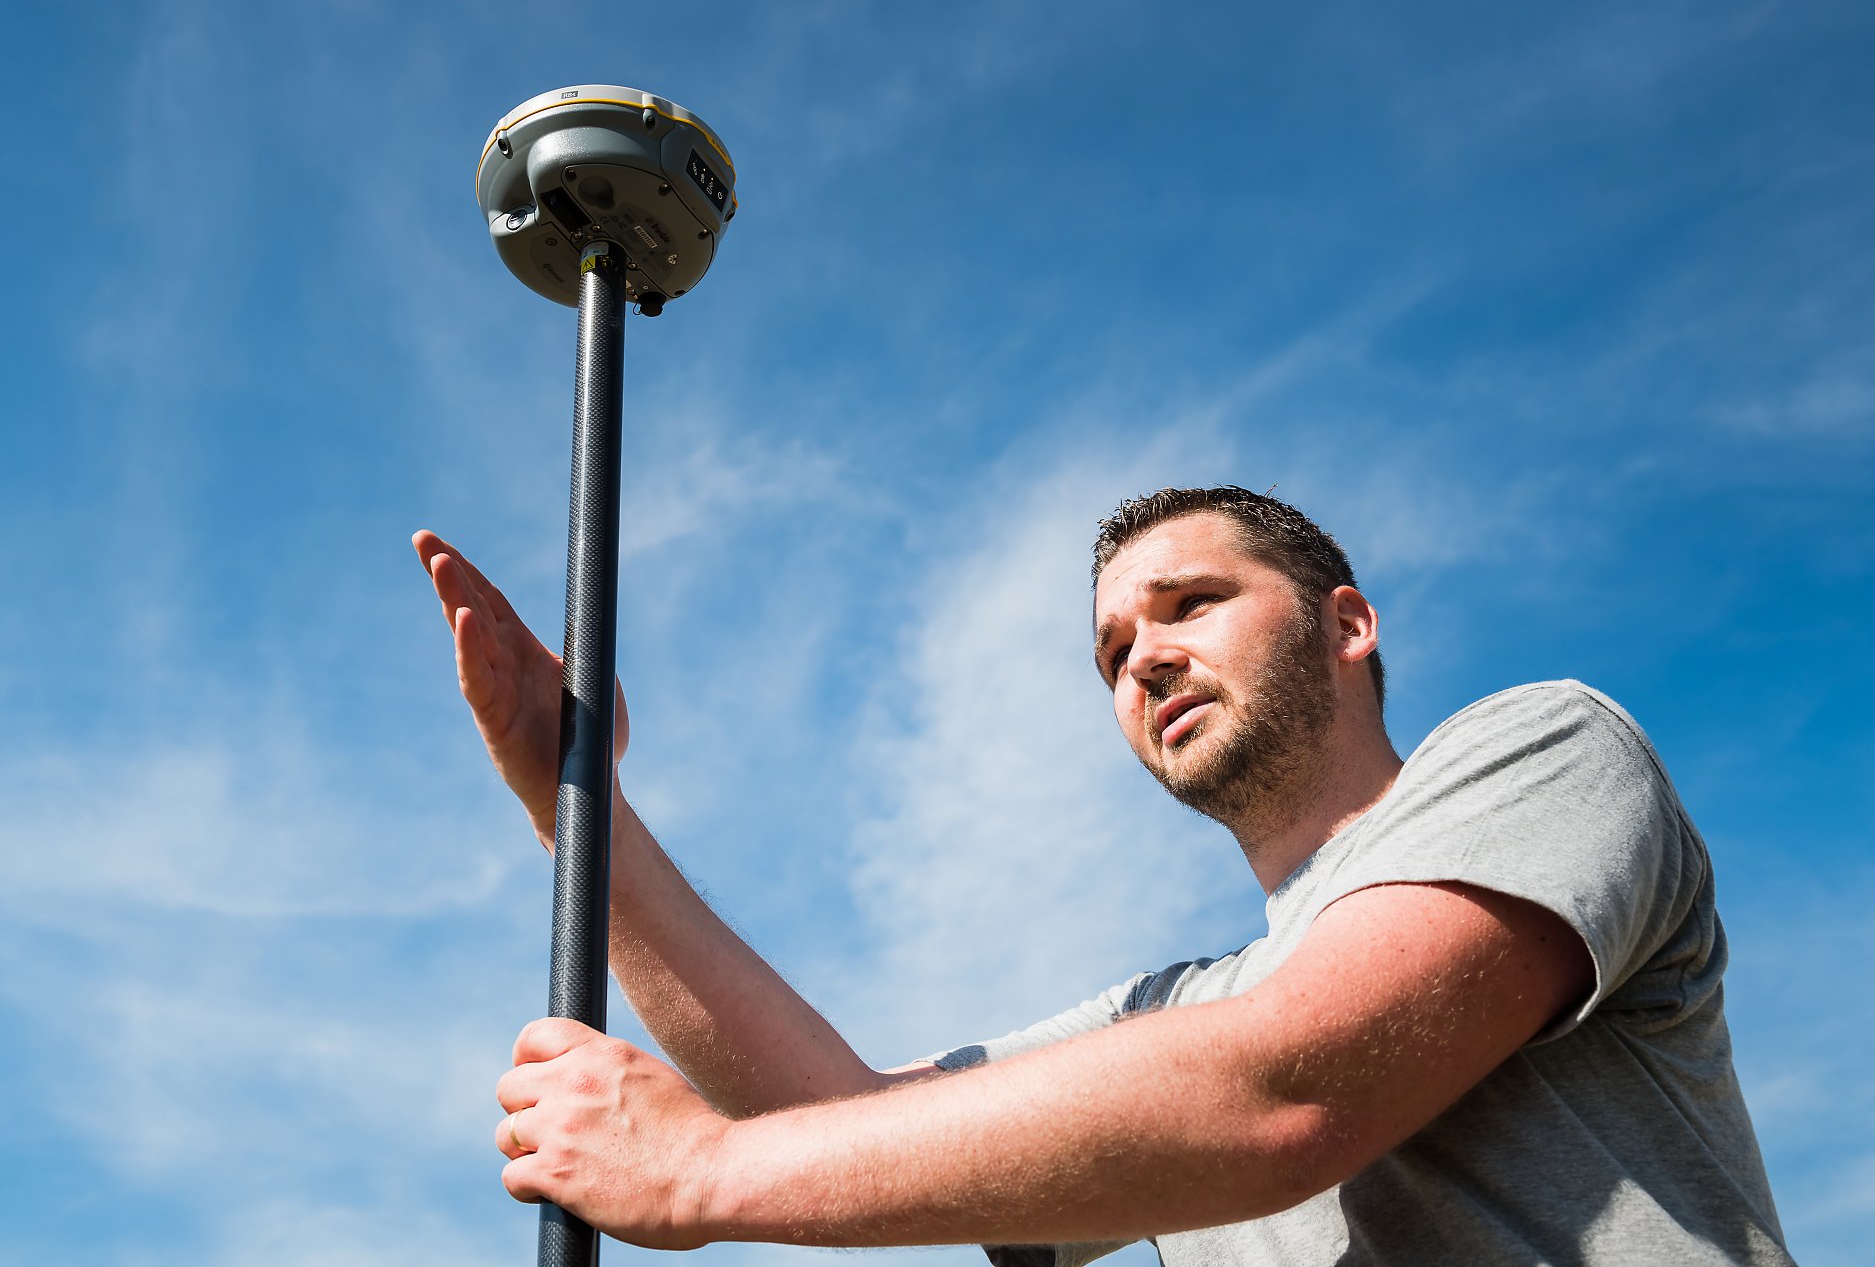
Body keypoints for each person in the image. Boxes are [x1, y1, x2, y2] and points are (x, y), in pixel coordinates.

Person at [413, 484, 1793, 1265]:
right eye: (1110, 651)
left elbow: (1289, 1093)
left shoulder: (1546, 751)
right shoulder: (1169, 1025)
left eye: (1190, 605)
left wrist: (706, 1177)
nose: (1143, 656)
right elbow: (838, 1116)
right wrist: (576, 805)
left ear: (1349, 624)